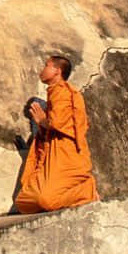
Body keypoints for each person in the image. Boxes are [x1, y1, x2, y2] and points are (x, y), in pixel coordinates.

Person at [14, 54, 98, 213]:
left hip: (67, 154)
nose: (42, 70)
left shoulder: (62, 90)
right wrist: (43, 126)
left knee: (45, 200)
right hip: (54, 152)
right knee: (23, 202)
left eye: (47, 65)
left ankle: (87, 189)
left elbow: (58, 122)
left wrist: (42, 121)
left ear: (57, 71)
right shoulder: (53, 92)